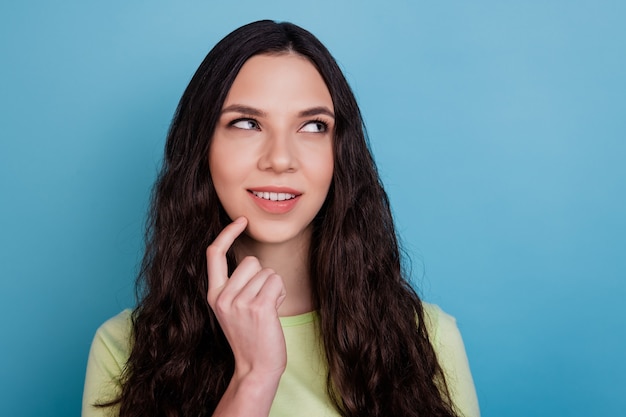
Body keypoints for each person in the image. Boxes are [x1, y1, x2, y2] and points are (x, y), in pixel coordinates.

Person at [82, 20, 480, 417]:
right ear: (201, 146)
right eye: (246, 123)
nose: (280, 160)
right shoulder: (123, 350)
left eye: (312, 126)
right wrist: (254, 378)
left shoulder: (427, 339)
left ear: (340, 154)